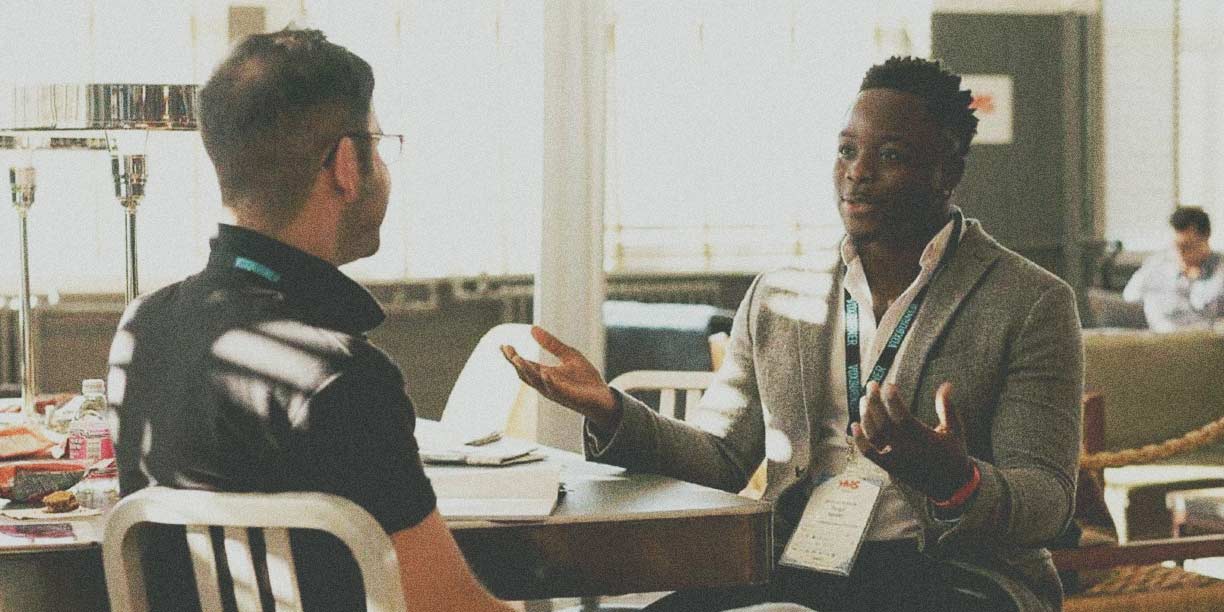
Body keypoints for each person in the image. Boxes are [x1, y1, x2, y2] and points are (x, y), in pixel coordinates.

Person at [503, 57, 1082, 612]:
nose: (858, 172)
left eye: (892, 155)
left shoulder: (1029, 301)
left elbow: (1049, 501)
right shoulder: (781, 295)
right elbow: (722, 457)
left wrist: (957, 481)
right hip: (801, 563)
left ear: (947, 173)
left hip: (954, 575)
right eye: (846, 150)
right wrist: (610, 410)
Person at [106, 29, 512, 612]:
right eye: (379, 142)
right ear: (346, 163)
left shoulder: (142, 329)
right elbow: (444, 607)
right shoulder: (343, 377)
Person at [1123, 206, 1224, 331]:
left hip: (1206, 341)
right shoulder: (1157, 266)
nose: (1181, 254)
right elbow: (1130, 297)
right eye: (1177, 246)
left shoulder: (1220, 273)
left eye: (1188, 246)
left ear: (1206, 237)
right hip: (1160, 341)